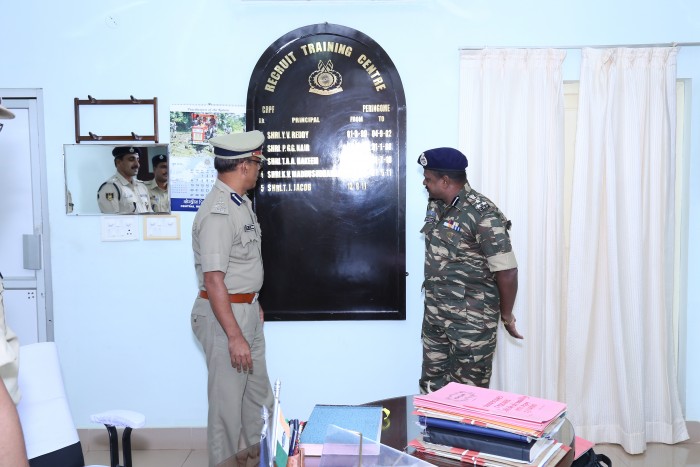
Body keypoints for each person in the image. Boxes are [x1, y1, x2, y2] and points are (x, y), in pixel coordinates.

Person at [191, 130, 273, 467]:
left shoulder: (241, 203)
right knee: (226, 409)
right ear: (244, 166)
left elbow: (240, 266)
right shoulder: (219, 212)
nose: (258, 171)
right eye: (257, 164)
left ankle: (259, 459)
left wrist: (252, 300)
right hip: (224, 319)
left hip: (244, 310)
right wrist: (234, 335)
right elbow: (214, 280)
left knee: (259, 398)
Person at [417, 147, 522, 393]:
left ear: (445, 181)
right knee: (431, 391)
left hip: (471, 324)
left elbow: (507, 271)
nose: (424, 183)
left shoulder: (483, 214)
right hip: (436, 318)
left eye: (428, 179)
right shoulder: (437, 205)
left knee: (468, 397)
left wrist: (506, 315)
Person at [97, 146, 153, 214]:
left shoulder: (141, 186)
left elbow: (150, 214)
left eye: (137, 160)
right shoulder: (110, 187)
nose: (137, 164)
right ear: (118, 162)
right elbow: (111, 219)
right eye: (131, 159)